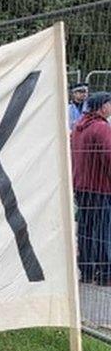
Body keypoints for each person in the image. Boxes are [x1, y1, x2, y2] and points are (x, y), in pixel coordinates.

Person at [71, 91, 111, 284]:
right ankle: (105, 274)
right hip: (100, 187)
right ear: (103, 106)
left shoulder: (78, 126)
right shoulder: (101, 128)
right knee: (104, 231)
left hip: (81, 186)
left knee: (86, 230)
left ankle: (86, 270)